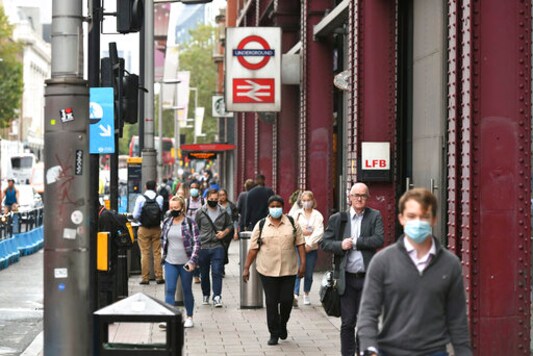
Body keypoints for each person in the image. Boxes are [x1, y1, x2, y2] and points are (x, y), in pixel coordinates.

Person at [357, 188, 472, 356]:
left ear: (433, 219)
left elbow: (457, 319)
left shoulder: (450, 264)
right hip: (391, 350)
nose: (417, 222)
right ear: (401, 219)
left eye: (424, 217)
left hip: (434, 351)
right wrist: (370, 349)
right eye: (411, 216)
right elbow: (368, 312)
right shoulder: (382, 262)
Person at [320, 182, 384, 356]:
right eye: (356, 195)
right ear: (350, 197)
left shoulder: (374, 216)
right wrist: (341, 244)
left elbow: (378, 239)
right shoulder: (338, 219)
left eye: (363, 195)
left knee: (364, 322)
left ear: (367, 198)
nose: (359, 198)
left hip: (367, 278)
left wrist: (355, 242)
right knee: (348, 322)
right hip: (346, 279)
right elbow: (324, 243)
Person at [243, 195, 306, 346]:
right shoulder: (261, 225)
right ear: (268, 208)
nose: (275, 208)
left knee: (286, 300)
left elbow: (300, 244)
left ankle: (282, 323)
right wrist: (246, 268)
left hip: (288, 269)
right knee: (271, 302)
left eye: (278, 206)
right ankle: (274, 333)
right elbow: (253, 249)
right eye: (272, 206)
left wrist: (303, 263)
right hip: (267, 269)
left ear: (283, 207)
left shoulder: (292, 223)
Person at [161, 195, 201, 328]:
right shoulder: (167, 222)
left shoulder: (190, 223)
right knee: (169, 290)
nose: (173, 210)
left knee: (186, 290)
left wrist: (192, 261)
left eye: (176, 207)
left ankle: (189, 316)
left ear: (182, 208)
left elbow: (197, 243)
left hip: (186, 263)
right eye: (171, 207)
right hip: (170, 261)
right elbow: (163, 240)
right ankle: (169, 318)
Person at [195, 189, 232, 307]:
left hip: (218, 246)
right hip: (204, 246)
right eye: (211, 200)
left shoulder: (223, 211)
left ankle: (217, 296)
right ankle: (206, 294)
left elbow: (230, 225)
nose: (214, 202)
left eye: (216, 200)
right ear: (207, 199)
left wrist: (224, 233)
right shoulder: (200, 212)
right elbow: (196, 228)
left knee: (217, 272)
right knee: (204, 274)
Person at [290, 190, 324, 307]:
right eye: (304, 201)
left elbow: (319, 231)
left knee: (308, 272)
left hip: (311, 249)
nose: (306, 203)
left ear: (313, 201)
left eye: (308, 200)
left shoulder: (317, 215)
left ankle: (306, 293)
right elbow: (293, 228)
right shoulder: (297, 214)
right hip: (298, 247)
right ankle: (295, 295)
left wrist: (309, 244)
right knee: (298, 270)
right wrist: (303, 233)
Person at [132, 180, 164, 285]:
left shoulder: (140, 198)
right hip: (156, 228)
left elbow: (135, 215)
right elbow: (161, 212)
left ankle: (145, 278)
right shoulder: (159, 198)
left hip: (143, 228)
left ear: (146, 187)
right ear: (155, 187)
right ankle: (159, 277)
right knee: (157, 253)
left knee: (144, 253)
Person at [218, 188, 239, 276]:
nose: (222, 197)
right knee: (219, 249)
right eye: (220, 195)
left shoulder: (231, 206)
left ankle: (222, 266)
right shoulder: (215, 206)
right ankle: (220, 268)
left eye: (223, 195)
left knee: (224, 249)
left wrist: (235, 232)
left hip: (228, 231)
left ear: (226, 195)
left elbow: (235, 220)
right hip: (218, 231)